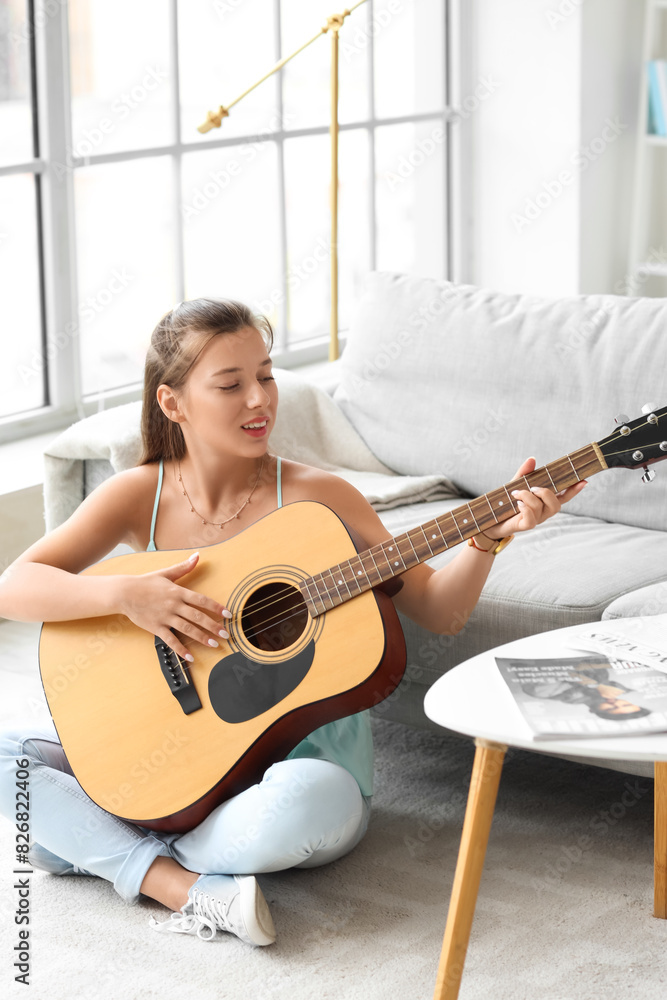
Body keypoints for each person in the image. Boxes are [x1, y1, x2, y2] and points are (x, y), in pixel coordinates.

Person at [0, 298, 587, 947]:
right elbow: (15, 588)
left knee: (305, 807)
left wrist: (487, 539)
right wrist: (126, 596)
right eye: (230, 384)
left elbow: (438, 612)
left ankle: (97, 839)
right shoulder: (141, 492)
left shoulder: (318, 499)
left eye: (267, 375)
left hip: (301, 771)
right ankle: (177, 884)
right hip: (175, 751)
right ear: (173, 403)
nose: (259, 400)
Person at [519, 660, 652, 721]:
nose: (615, 703)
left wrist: (595, 686)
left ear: (592, 710)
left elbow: (546, 664)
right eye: (625, 704)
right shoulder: (610, 684)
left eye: (610, 709)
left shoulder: (542, 692)